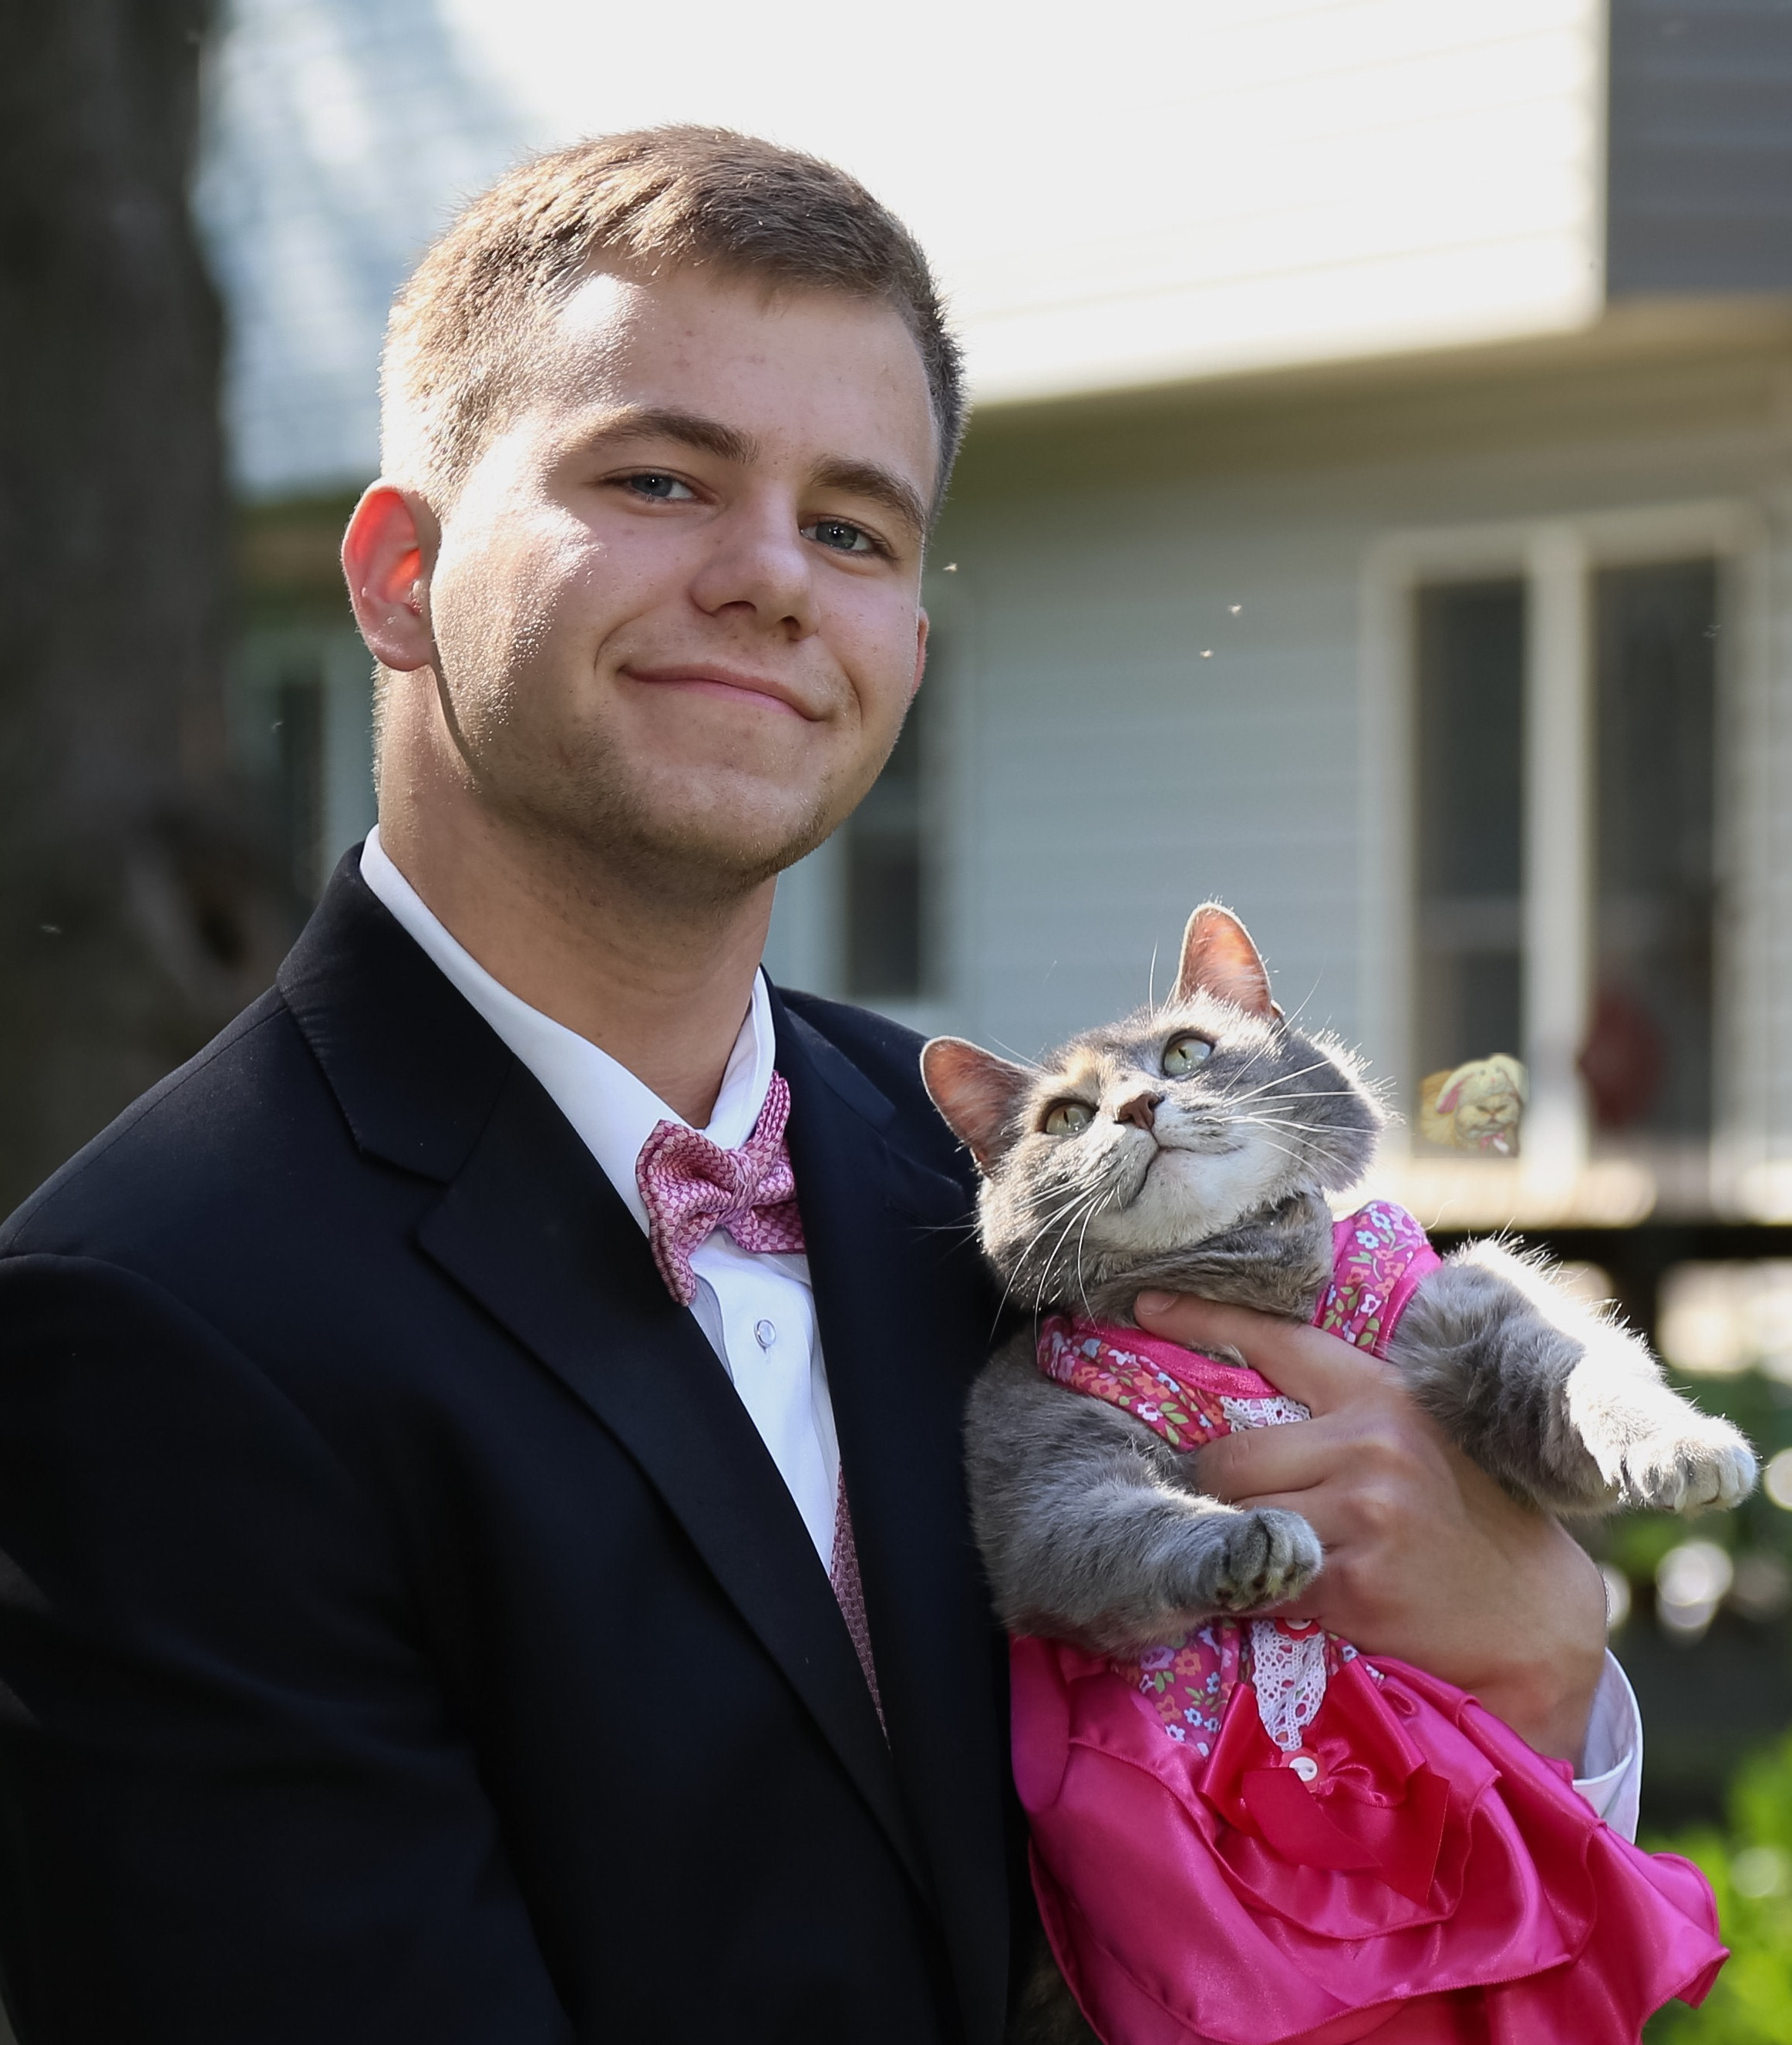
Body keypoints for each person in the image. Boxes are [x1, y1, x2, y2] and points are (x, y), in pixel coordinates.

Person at [0, 128, 1637, 2044]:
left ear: (907, 651)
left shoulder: (1015, 1190)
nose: (773, 576)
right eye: (660, 477)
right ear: (398, 575)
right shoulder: (144, 1324)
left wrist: (1538, 1673)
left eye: (853, 527)